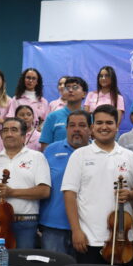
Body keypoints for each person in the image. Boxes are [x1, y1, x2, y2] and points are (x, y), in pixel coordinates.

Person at [62, 105, 133, 264]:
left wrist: (131, 194)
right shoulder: (79, 155)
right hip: (89, 239)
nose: (104, 127)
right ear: (92, 127)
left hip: (122, 240)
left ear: (117, 126)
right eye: (99, 123)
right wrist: (76, 230)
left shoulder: (130, 156)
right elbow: (69, 194)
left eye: (109, 122)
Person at [0, 118, 51, 249]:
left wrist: (12, 192)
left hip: (25, 222)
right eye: (5, 130)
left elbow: (44, 191)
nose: (9, 134)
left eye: (14, 130)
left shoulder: (37, 157)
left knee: (22, 264)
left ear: (23, 136)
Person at [40, 110, 91, 256]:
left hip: (87, 226)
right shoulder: (50, 150)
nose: (76, 129)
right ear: (66, 128)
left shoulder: (97, 152)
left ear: (91, 128)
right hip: (53, 226)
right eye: (72, 125)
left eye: (82, 125)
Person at [40, 76, 87, 151]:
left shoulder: (89, 117)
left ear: (84, 94)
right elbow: (45, 147)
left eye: (75, 87)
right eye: (67, 87)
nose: (70, 90)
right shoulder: (52, 117)